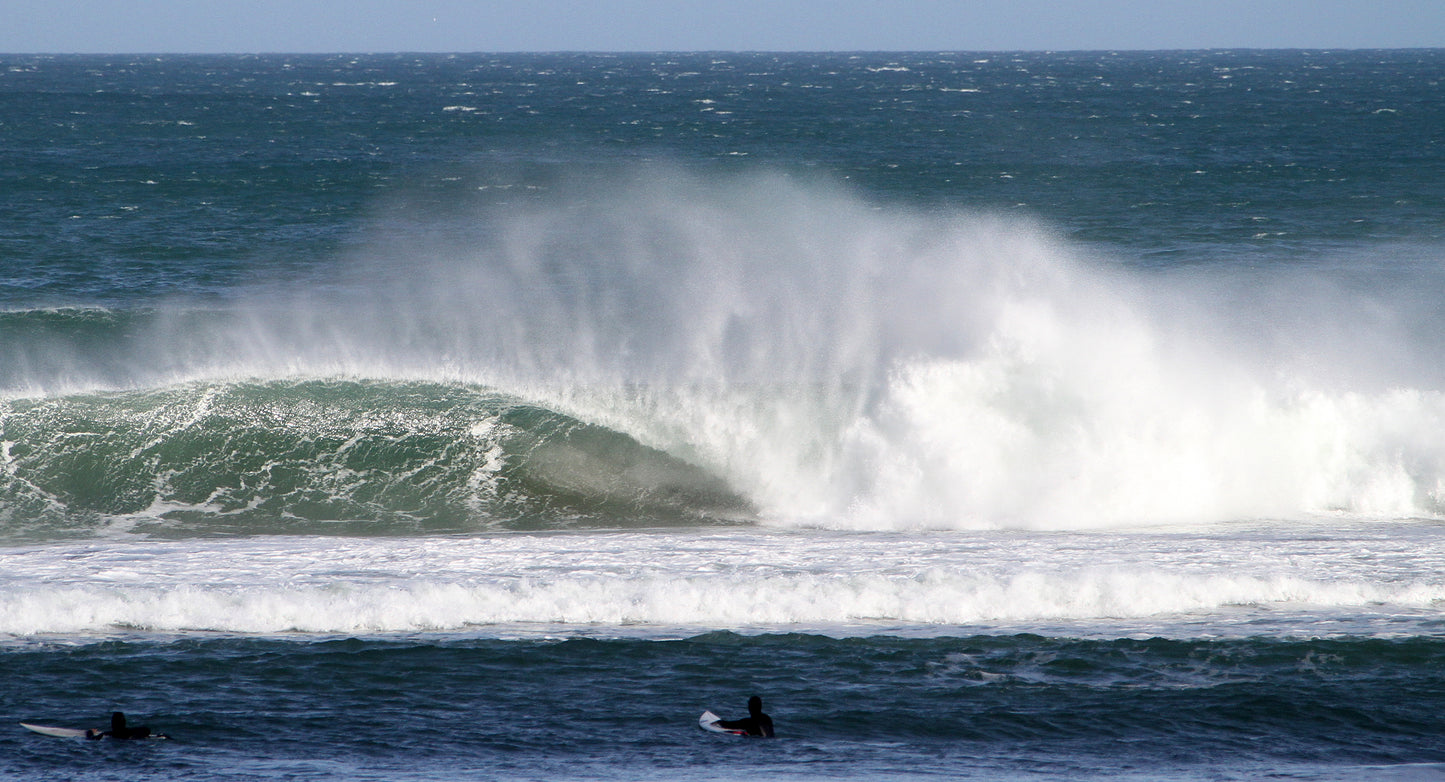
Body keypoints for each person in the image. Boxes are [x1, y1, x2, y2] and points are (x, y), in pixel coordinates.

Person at [86, 712, 157, 740]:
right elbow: (146, 730)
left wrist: (90, 731)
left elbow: (91, 738)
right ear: (124, 722)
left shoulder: (109, 734)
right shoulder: (130, 731)